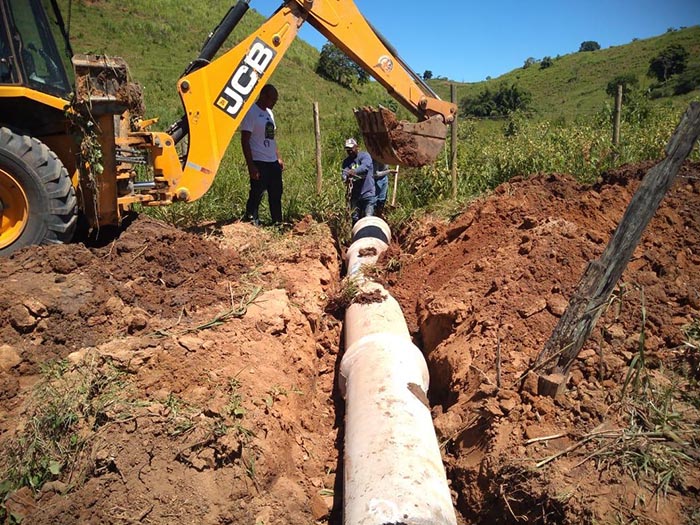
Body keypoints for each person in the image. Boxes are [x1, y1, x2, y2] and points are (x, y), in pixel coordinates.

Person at [240, 84, 284, 225]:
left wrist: (278, 157)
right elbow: (245, 140)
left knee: (276, 192)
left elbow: (271, 138)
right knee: (257, 192)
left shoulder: (269, 113)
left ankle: (277, 222)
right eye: (273, 100)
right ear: (263, 95)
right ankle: (251, 219)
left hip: (272, 161)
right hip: (258, 160)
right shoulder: (251, 112)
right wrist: (251, 165)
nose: (274, 103)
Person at [341, 138, 375, 225]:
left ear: (357, 147)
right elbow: (344, 172)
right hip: (355, 196)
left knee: (368, 218)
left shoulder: (365, 156)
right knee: (355, 219)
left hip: (367, 193)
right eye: (347, 150)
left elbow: (365, 167)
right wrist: (345, 177)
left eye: (351, 149)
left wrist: (354, 171)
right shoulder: (346, 162)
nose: (350, 151)